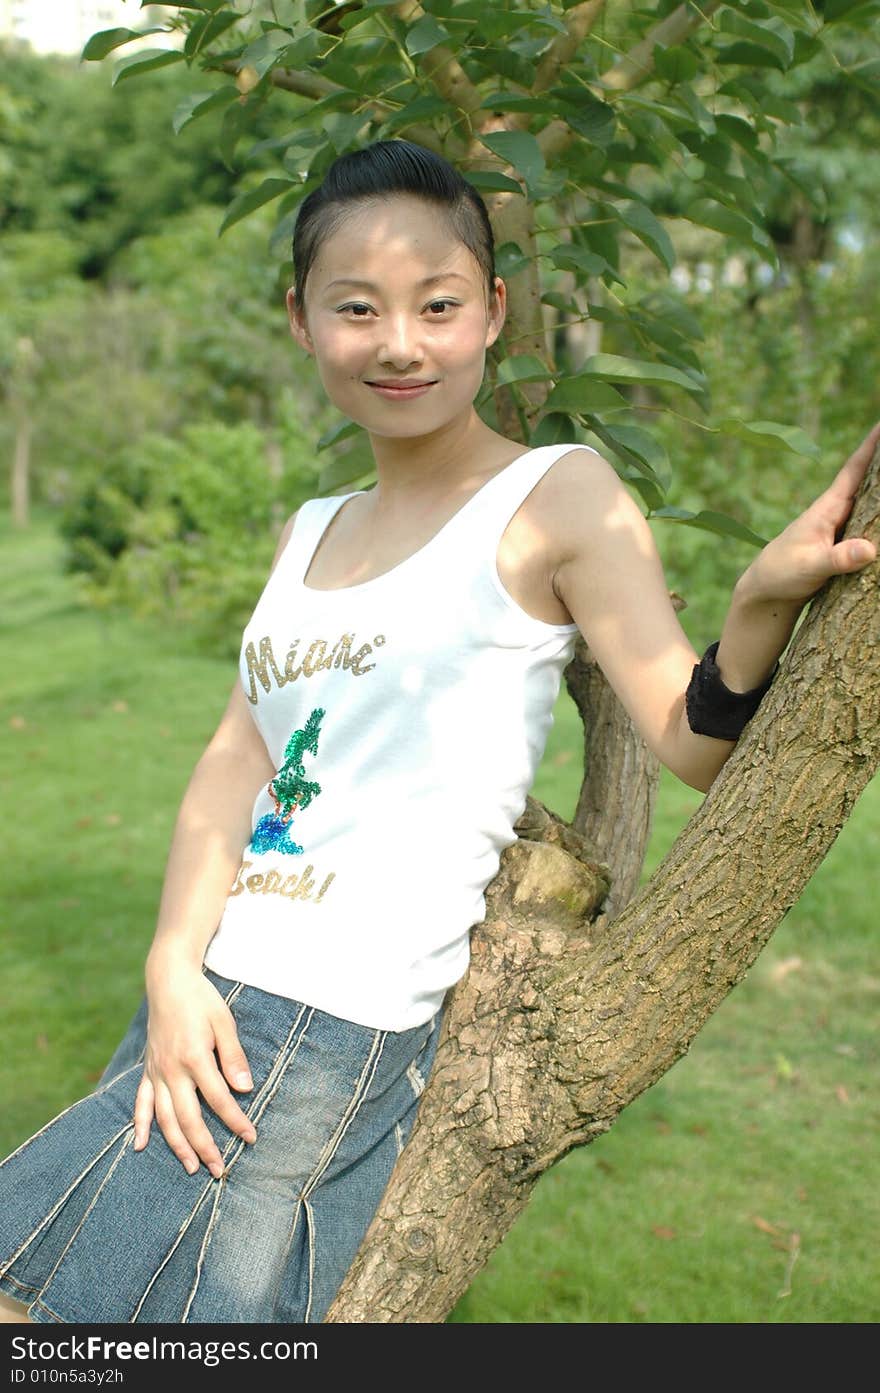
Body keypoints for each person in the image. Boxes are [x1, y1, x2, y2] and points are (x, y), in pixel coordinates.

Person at [0, 138, 876, 1327]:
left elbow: (688, 735)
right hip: (214, 994)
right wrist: (168, 962)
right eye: (356, 307)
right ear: (302, 321)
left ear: (494, 313)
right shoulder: (310, 525)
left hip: (331, 1015)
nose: (399, 341)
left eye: (437, 305)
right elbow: (234, 760)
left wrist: (758, 602)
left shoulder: (555, 494)